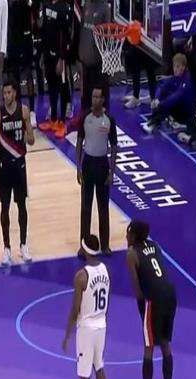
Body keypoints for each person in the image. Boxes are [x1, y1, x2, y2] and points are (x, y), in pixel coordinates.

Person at [126, 220, 177, 379]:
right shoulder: (155, 245)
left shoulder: (131, 254)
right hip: (170, 294)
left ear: (133, 235)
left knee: (148, 346)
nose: (126, 236)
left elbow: (138, 291)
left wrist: (143, 314)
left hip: (153, 299)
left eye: (128, 232)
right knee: (164, 343)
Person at [62, 235, 109, 379]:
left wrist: (67, 335)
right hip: (102, 324)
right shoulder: (106, 270)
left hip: (87, 329)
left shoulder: (81, 276)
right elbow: (108, 299)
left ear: (85, 251)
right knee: (100, 368)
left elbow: (75, 309)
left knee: (84, 377)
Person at [0, 77, 35, 265]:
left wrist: (27, 133)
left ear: (15, 93)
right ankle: (6, 248)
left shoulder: (24, 111)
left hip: (19, 165)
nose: (6, 96)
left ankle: (23, 245)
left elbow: (32, 140)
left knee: (21, 206)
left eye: (9, 92)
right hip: (4, 167)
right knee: (4, 207)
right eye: (4, 93)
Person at [76, 85, 117, 257]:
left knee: (103, 207)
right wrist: (78, 168)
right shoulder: (85, 117)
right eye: (93, 97)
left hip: (102, 165)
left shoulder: (109, 120)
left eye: (98, 97)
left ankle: (105, 245)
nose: (95, 100)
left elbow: (114, 147)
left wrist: (112, 172)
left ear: (103, 99)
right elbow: (79, 143)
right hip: (88, 164)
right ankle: (83, 245)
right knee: (85, 208)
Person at [37, 0, 71, 139]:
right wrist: (42, 54)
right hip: (47, 53)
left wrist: (61, 59)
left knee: (62, 87)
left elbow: (66, 35)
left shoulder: (65, 8)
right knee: (51, 86)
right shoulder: (46, 4)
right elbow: (43, 30)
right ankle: (53, 119)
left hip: (59, 56)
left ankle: (62, 122)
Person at [142, 53, 196, 134]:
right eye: (174, 66)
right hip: (179, 107)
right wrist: (156, 98)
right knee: (164, 94)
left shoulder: (187, 81)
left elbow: (176, 97)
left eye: (177, 66)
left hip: (186, 113)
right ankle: (154, 120)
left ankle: (154, 122)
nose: (175, 69)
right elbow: (162, 86)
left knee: (169, 102)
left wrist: (161, 103)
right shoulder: (176, 76)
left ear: (183, 67)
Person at [6, 0, 37, 127]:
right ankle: (17, 110)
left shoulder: (27, 3)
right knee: (15, 78)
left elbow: (34, 8)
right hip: (14, 40)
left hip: (26, 38)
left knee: (29, 74)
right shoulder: (11, 4)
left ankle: (32, 111)